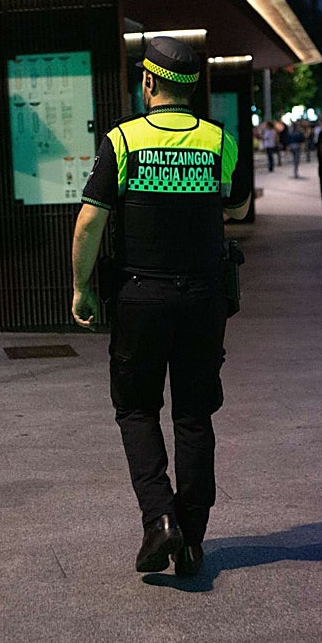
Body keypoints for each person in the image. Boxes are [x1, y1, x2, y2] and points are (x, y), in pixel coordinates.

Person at [71, 37, 251, 577]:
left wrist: (81, 285)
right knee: (194, 414)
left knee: (135, 408)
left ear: (148, 83)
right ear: (192, 90)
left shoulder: (123, 140)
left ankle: (160, 520)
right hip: (203, 297)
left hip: (139, 296)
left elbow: (90, 219)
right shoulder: (221, 141)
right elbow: (238, 205)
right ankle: (192, 540)